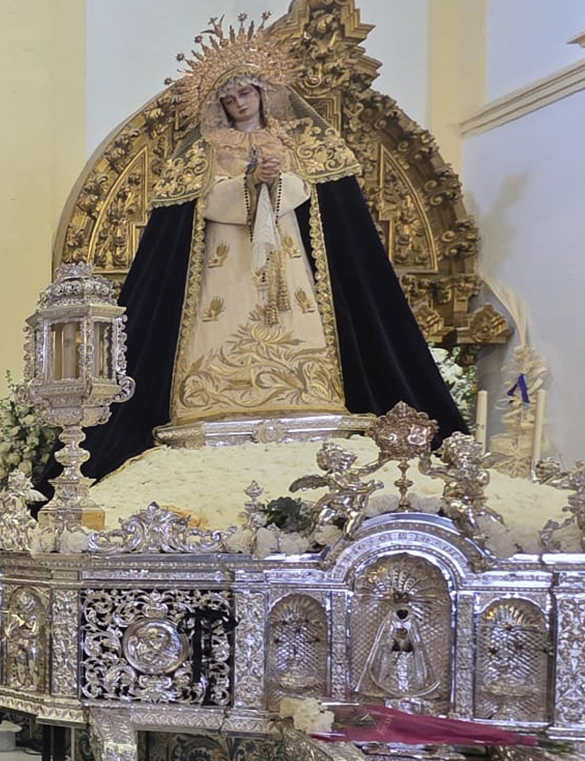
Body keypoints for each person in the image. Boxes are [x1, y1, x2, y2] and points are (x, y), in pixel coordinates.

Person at [78, 14, 465, 479]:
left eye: (246, 92)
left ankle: (303, 399)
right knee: (227, 315)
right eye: (229, 96)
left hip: (287, 259)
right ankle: (217, 402)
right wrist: (247, 183)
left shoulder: (299, 141)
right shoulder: (206, 149)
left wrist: (278, 180)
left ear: (263, 91)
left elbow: (315, 202)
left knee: (294, 319)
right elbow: (202, 207)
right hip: (225, 262)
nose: (239, 103)